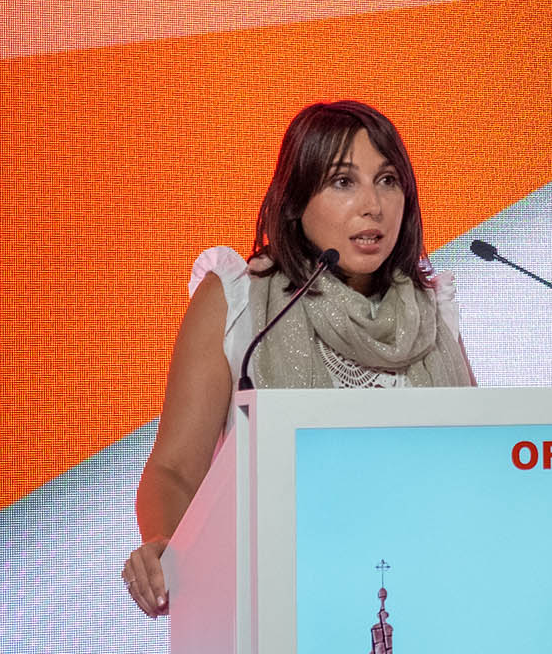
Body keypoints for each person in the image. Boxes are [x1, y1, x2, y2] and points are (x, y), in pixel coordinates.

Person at [121, 100, 474, 617]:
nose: (373, 206)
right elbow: (173, 470)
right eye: (343, 182)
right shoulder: (240, 301)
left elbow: (475, 460)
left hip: (428, 597)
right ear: (296, 201)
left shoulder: (430, 311)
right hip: (279, 606)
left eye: (388, 180)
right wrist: (165, 544)